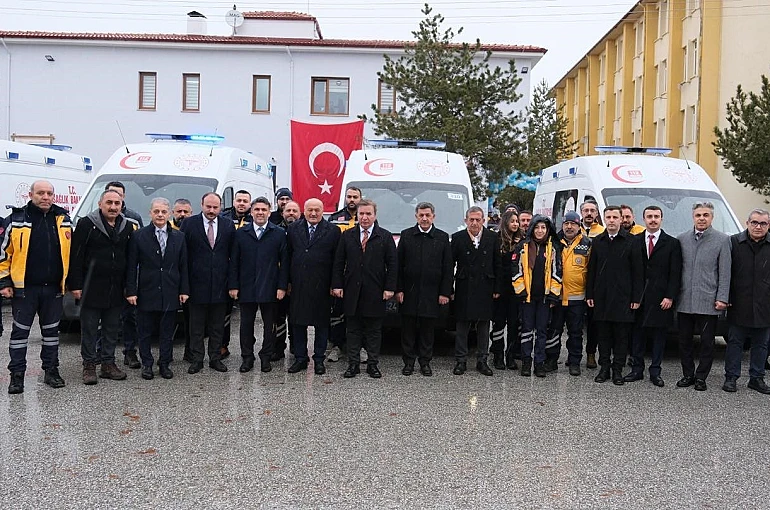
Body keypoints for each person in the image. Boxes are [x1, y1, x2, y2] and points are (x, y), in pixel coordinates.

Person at [0, 180, 71, 394]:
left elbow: (71, 253)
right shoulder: (16, 219)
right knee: (19, 335)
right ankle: (17, 375)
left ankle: (51, 371)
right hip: (25, 289)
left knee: (51, 334)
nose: (46, 197)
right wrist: (4, 282)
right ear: (31, 195)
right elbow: (4, 255)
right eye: (41, 193)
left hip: (53, 289)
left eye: (49, 193)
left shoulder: (63, 219)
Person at [68, 189, 135, 385]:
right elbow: (76, 255)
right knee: (89, 328)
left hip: (116, 287)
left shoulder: (127, 226)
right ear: (100, 204)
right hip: (90, 286)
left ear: (122, 204)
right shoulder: (86, 224)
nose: (113, 207)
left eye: (117, 203)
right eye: (109, 203)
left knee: (112, 328)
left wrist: (129, 287)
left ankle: (108, 364)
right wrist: (75, 284)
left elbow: (130, 260)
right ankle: (89, 365)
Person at [126, 197, 190, 380]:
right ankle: (147, 364)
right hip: (146, 290)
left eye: (163, 212)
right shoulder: (139, 236)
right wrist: (131, 291)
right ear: (150, 213)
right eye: (156, 211)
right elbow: (132, 265)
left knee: (167, 331)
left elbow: (183, 265)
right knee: (145, 331)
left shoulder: (179, 237)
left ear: (169, 213)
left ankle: (164, 363)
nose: (160, 215)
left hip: (170, 291)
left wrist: (184, 290)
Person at [332, 199, 397, 379]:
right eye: (361, 214)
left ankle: (372, 365)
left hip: (375, 291)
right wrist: (337, 284)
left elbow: (392, 265)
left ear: (374, 215)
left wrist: (390, 287)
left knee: (374, 331)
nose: (365, 217)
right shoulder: (348, 235)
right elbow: (338, 262)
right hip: (352, 290)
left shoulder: (384, 236)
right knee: (352, 330)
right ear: (357, 215)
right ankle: (353, 365)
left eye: (368, 214)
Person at [228, 197, 289, 374]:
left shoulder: (278, 233)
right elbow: (234, 262)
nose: (260, 212)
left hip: (270, 287)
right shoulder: (241, 233)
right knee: (246, 324)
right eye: (257, 210)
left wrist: (282, 286)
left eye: (264, 209)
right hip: (246, 286)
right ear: (251, 212)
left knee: (270, 325)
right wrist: (234, 285)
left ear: (269, 212)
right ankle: (247, 357)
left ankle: (266, 356)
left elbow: (284, 262)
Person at [676, 202, 731, 391]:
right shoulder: (682, 239)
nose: (701, 218)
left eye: (706, 215)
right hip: (685, 300)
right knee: (684, 341)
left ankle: (701, 377)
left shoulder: (722, 240)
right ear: (693, 217)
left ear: (712, 218)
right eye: (698, 215)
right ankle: (687, 374)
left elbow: (725, 273)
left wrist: (722, 297)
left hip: (708, 301)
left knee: (707, 343)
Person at [625, 206, 682, 387]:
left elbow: (675, 273)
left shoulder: (672, 243)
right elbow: (629, 272)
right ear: (644, 219)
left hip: (661, 299)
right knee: (638, 335)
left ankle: (656, 372)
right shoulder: (634, 241)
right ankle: (637, 369)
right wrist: (632, 297)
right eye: (649, 216)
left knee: (659, 337)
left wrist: (670, 297)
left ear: (661, 219)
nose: (653, 220)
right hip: (639, 299)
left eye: (656, 216)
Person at [586, 205, 643, 385]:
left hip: (623, 298)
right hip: (601, 297)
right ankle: (604, 369)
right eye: (608, 217)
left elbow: (638, 272)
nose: (611, 220)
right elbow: (591, 270)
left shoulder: (632, 241)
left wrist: (636, 298)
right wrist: (590, 294)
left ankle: (617, 370)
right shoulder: (597, 241)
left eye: (614, 217)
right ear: (603, 220)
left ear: (621, 220)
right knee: (603, 336)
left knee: (621, 337)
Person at [180, 192, 234, 374]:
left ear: (220, 207)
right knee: (196, 326)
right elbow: (183, 256)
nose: (211, 211)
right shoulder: (188, 224)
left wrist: (232, 284)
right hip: (196, 285)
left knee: (217, 326)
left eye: (215, 207)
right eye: (208, 207)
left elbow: (233, 256)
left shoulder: (227, 225)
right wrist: (184, 286)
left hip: (220, 284)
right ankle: (196, 359)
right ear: (201, 205)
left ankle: (215, 358)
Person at [396, 202, 453, 377]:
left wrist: (445, 292)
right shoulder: (406, 236)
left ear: (433, 216)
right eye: (421, 215)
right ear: (416, 216)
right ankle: (408, 362)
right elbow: (398, 266)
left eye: (428, 215)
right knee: (408, 329)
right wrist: (398, 289)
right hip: (409, 291)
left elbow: (448, 267)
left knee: (428, 330)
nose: (424, 218)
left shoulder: (442, 238)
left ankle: (425, 362)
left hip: (432, 292)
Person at [286, 198, 341, 375]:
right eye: (310, 210)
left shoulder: (333, 230)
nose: (313, 213)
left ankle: (319, 359)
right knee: (298, 323)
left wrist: (335, 284)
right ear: (304, 210)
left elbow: (337, 261)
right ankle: (301, 358)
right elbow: (287, 257)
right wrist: (286, 282)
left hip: (322, 285)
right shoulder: (293, 229)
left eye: (317, 210)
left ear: (323, 210)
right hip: (299, 284)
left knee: (321, 325)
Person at [723, 209, 770, 394]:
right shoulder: (734, 242)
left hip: (765, 304)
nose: (758, 227)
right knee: (735, 343)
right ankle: (731, 378)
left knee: (761, 344)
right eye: (755, 222)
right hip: (739, 302)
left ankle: (756, 379)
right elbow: (726, 272)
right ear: (747, 223)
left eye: (763, 223)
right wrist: (725, 298)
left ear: (768, 225)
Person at [451, 206, 502, 376]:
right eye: (471, 219)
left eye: (477, 219)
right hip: (464, 286)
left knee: (483, 326)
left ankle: (482, 360)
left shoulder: (492, 237)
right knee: (462, 326)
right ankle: (461, 360)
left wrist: (497, 288)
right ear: (465, 220)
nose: (474, 223)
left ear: (483, 220)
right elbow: (449, 265)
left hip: (485, 286)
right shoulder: (458, 238)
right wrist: (448, 289)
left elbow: (498, 264)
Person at [512, 215, 562, 378]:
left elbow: (557, 272)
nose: (540, 231)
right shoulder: (522, 247)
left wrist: (554, 295)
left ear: (548, 230)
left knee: (542, 331)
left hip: (545, 299)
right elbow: (516, 270)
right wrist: (520, 291)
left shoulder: (554, 247)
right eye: (537, 227)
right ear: (532, 229)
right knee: (526, 330)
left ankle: (539, 362)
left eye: (543, 228)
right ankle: (526, 361)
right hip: (527, 297)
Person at [544, 211, 590, 376]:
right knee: (554, 330)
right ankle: (551, 360)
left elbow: (591, 271)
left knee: (576, 332)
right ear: (562, 225)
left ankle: (575, 362)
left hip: (577, 297)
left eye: (573, 224)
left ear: (579, 226)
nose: (569, 227)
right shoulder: (553, 242)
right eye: (566, 224)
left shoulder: (587, 243)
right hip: (556, 296)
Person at [104, 181, 143, 369]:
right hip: (104, 279)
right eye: (110, 194)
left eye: (118, 195)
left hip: (128, 277)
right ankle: (101, 354)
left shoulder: (134, 220)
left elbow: (140, 249)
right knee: (104, 319)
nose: (114, 199)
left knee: (130, 319)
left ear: (123, 197)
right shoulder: (94, 220)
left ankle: (130, 353)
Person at [327, 185, 363, 363]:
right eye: (349, 196)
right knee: (337, 312)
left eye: (355, 197)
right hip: (339, 272)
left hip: (359, 274)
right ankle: (336, 345)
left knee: (359, 311)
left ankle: (359, 346)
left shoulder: (366, 218)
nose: (352, 200)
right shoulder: (335, 219)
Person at [220, 189, 252, 360]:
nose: (241, 203)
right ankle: (223, 346)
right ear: (233, 201)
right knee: (225, 312)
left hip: (247, 272)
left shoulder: (255, 220)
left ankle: (249, 351)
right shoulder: (224, 219)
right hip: (227, 270)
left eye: (245, 201)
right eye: (239, 200)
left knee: (247, 315)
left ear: (250, 204)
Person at [490, 208, 523, 370]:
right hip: (501, 288)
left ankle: (510, 356)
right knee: (498, 323)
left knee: (514, 323)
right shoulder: (497, 240)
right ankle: (497, 355)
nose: (516, 224)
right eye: (513, 221)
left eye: (517, 221)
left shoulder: (522, 241)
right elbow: (494, 266)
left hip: (516, 290)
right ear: (506, 222)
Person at [272, 199, 301, 361]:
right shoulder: (275, 231)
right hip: (279, 282)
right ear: (282, 213)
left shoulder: (304, 231)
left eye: (294, 211)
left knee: (296, 317)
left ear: (299, 214)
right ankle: (278, 347)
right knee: (278, 317)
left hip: (298, 282)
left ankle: (296, 346)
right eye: (288, 211)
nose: (291, 213)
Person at [580, 199, 605, 370]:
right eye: (586, 210)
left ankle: (591, 354)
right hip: (574, 286)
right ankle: (573, 355)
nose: (589, 213)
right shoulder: (572, 229)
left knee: (593, 324)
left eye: (592, 211)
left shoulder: (602, 232)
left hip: (595, 285)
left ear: (597, 214)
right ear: (581, 212)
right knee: (573, 324)